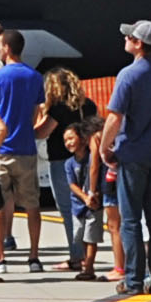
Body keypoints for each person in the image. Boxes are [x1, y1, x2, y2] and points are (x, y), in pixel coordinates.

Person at [104, 21, 151, 296]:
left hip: (133, 154)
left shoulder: (128, 75)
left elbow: (115, 117)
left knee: (131, 220)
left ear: (138, 43)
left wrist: (104, 147)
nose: (125, 39)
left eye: (129, 36)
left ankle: (134, 280)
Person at [0, 29, 49, 273]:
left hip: (1, 149)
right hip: (26, 148)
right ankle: (34, 257)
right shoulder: (34, 77)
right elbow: (36, 110)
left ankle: (0, 257)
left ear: (7, 48)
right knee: (32, 204)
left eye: (0, 45)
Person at [42, 67, 101, 279]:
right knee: (87, 207)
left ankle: (76, 255)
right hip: (87, 158)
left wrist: (37, 115)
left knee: (68, 209)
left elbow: (42, 132)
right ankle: (86, 254)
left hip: (61, 159)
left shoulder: (58, 108)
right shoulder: (89, 105)